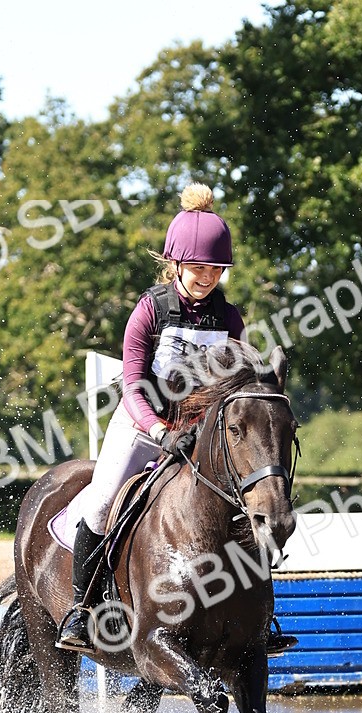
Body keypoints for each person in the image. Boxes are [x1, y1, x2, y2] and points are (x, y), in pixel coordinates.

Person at [57, 183, 297, 657]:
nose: (207, 276)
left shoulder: (229, 318)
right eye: (198, 267)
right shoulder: (150, 310)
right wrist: (158, 430)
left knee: (249, 509)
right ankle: (82, 612)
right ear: (176, 264)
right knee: (103, 500)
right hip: (143, 425)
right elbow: (131, 384)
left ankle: (262, 618)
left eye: (216, 269)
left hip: (204, 437)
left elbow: (236, 386)